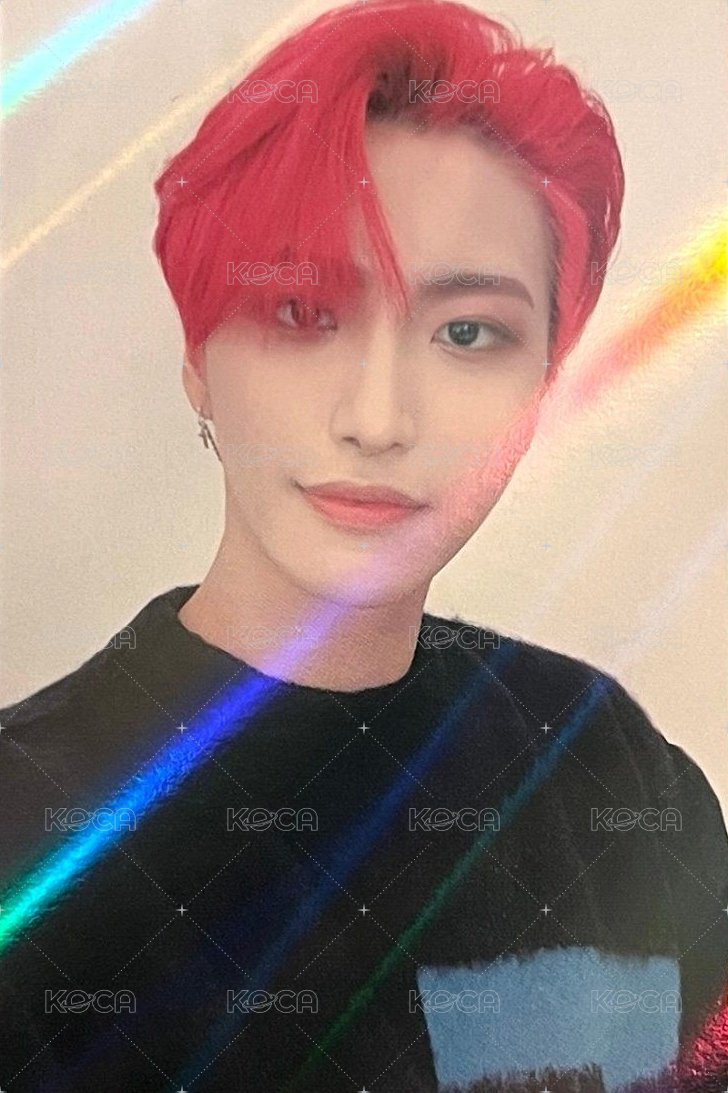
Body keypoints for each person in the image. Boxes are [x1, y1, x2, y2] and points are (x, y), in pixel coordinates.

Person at [1, 0, 727, 1089]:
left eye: (467, 332)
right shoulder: (27, 826)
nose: (378, 418)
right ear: (198, 357)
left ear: (541, 379)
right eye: (303, 312)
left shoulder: (606, 760)